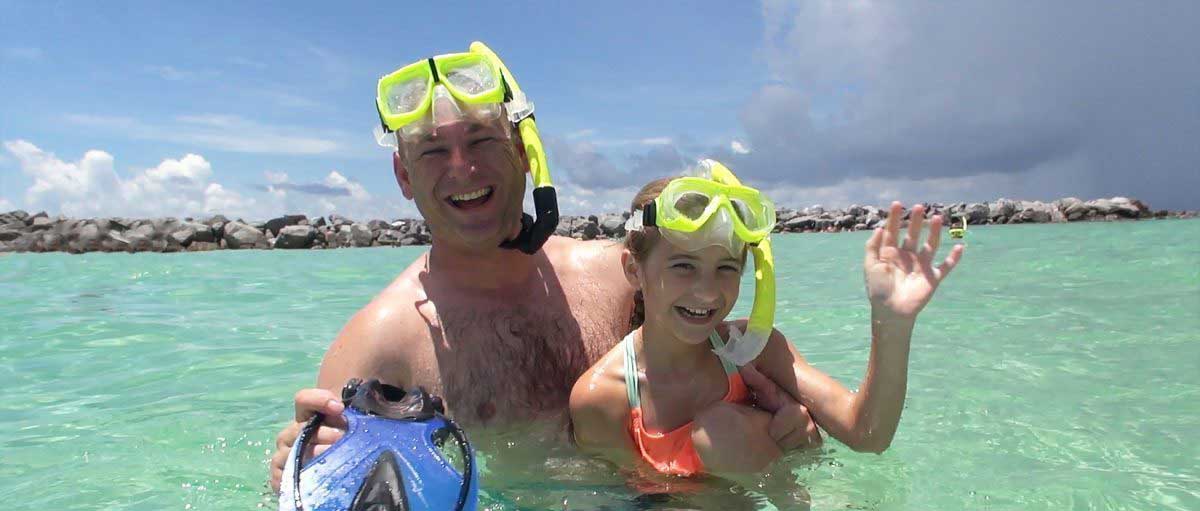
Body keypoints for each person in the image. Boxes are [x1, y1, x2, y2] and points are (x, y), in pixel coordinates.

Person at [268, 42, 820, 492]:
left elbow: (730, 374)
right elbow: (332, 489)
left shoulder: (624, 279)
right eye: (433, 151)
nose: (462, 168)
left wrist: (789, 425)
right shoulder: (381, 345)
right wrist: (296, 474)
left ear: (524, 153)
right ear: (404, 176)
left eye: (482, 140)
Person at [570, 161, 964, 476]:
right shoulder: (603, 399)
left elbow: (869, 435)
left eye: (726, 268)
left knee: (720, 430)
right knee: (718, 433)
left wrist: (891, 323)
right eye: (684, 266)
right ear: (633, 270)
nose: (708, 292)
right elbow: (626, 499)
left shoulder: (752, 351)